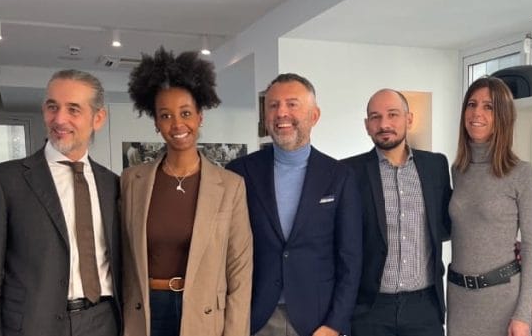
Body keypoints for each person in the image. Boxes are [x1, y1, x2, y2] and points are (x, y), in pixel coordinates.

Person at [0, 69, 121, 336]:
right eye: (52, 107)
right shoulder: (3, 181)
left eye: (73, 109)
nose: (60, 119)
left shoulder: (113, 184)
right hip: (34, 325)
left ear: (98, 118)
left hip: (104, 323)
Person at [120, 47, 253, 336]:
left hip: (203, 315)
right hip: (146, 312)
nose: (177, 124)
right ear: (156, 122)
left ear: (200, 116)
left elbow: (239, 270)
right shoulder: (132, 181)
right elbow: (122, 261)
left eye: (185, 113)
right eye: (165, 115)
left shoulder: (230, 186)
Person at [226, 73, 361, 336]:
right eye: (273, 105)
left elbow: (350, 259)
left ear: (314, 115)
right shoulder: (239, 173)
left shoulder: (340, 176)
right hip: (254, 319)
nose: (281, 113)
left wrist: (335, 324)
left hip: (317, 322)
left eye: (292, 104)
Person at [343, 89, 452, 336]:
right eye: (375, 117)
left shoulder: (436, 166)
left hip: (424, 308)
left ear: (409, 119)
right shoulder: (348, 172)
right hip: (370, 310)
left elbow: (448, 223)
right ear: (366, 125)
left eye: (393, 114)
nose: (384, 124)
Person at [447, 77, 532, 336]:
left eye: (488, 107)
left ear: (503, 116)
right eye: (472, 104)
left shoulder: (522, 173)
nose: (477, 113)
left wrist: (523, 315)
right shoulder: (459, 171)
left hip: (502, 302)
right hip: (459, 300)